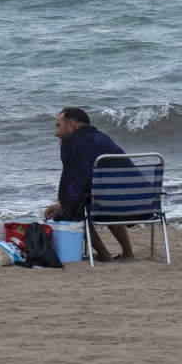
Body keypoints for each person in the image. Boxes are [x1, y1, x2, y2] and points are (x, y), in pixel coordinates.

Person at [43, 107, 135, 261]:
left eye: (58, 126)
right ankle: (128, 252)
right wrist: (61, 201)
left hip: (111, 205)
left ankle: (104, 255)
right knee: (104, 199)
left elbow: (72, 183)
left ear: (71, 125)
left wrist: (62, 205)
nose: (56, 133)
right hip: (138, 204)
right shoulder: (103, 138)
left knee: (74, 209)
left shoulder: (72, 144)